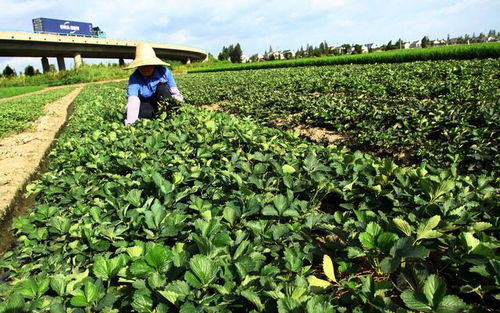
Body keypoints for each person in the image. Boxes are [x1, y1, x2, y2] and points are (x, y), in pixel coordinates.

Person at [123, 43, 184, 125]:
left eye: (148, 65)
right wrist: (130, 122)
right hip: (147, 105)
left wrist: (179, 107)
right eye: (141, 65)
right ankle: (156, 119)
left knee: (162, 87)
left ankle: (169, 117)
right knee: (142, 112)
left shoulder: (164, 72)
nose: (145, 68)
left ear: (154, 64)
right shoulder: (135, 77)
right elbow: (133, 99)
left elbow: (174, 92)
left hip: (163, 104)